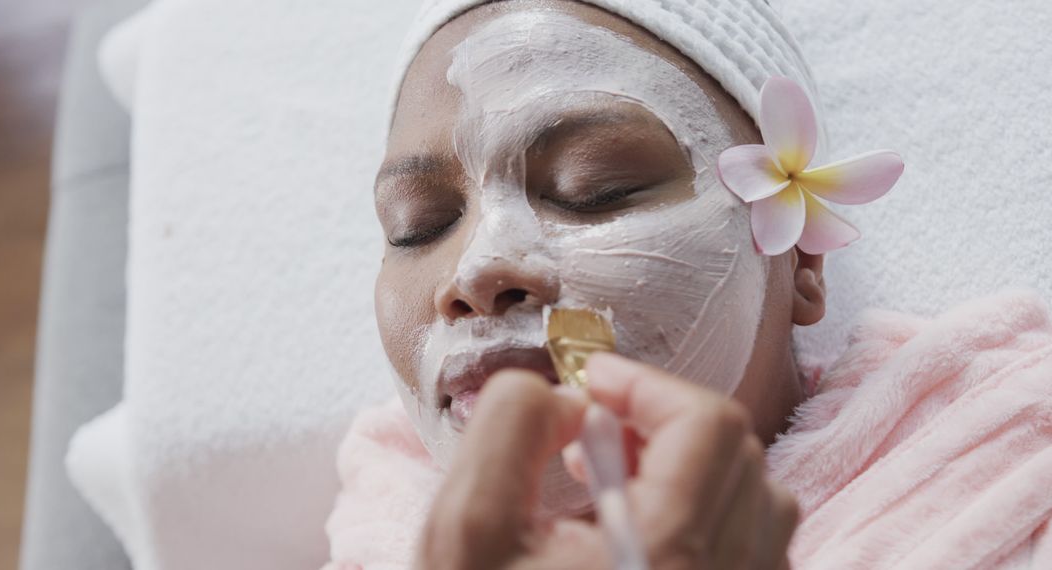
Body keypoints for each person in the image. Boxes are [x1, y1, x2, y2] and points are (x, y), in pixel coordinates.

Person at [324, 0, 1052, 568]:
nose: (478, 269)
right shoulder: (371, 538)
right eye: (417, 226)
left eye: (596, 188)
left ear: (800, 262)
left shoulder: (1010, 486)